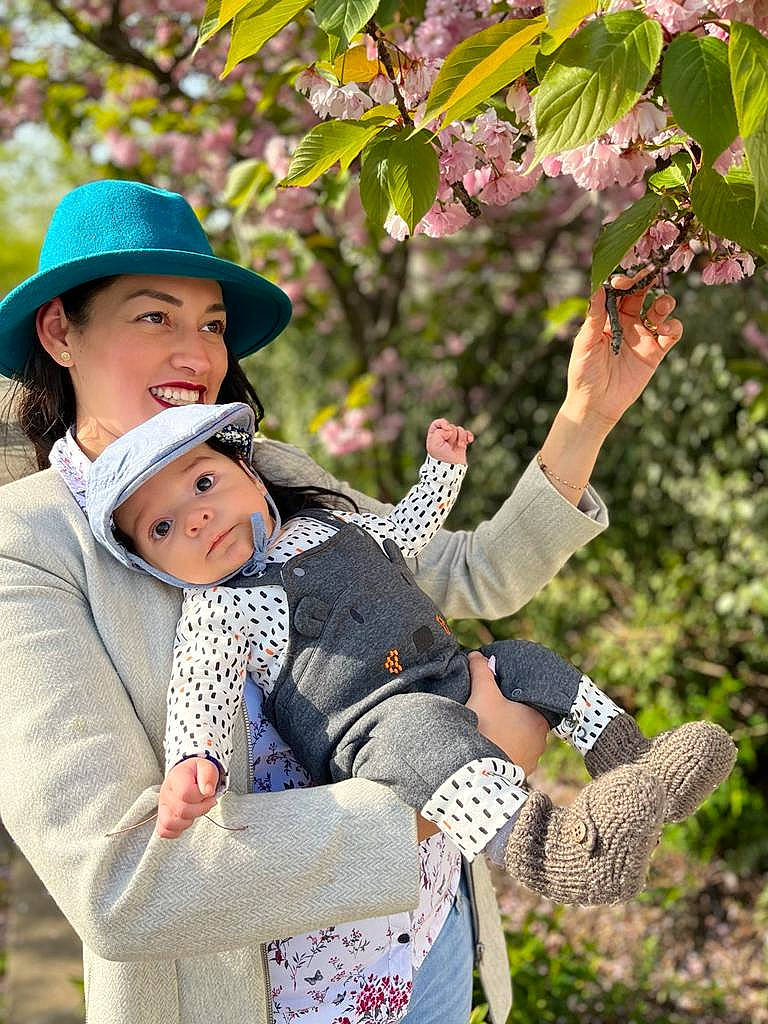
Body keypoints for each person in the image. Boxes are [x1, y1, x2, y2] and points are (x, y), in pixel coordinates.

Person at [0, 178, 685, 1024]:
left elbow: (465, 573)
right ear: (60, 331)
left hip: (429, 941)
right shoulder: (27, 548)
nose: (197, 355)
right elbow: (120, 884)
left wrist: (587, 413)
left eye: (211, 324)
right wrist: (447, 795)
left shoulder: (265, 468)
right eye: (154, 317)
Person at [86, 401, 735, 907]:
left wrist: (442, 471)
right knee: (427, 740)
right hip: (377, 726)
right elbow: (199, 685)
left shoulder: (328, 522)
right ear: (155, 567)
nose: (194, 518)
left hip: (448, 669)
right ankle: (559, 849)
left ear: (250, 475)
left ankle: (638, 764)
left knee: (526, 661)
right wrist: (193, 761)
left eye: (204, 482)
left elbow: (405, 534)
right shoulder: (220, 606)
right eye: (162, 527)